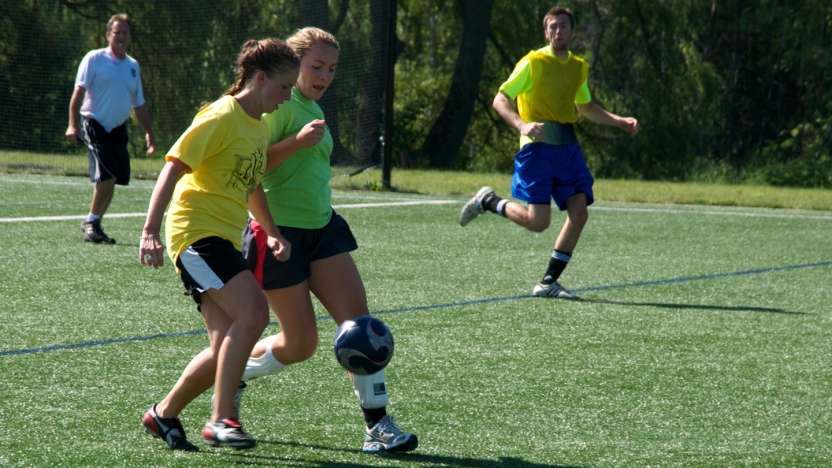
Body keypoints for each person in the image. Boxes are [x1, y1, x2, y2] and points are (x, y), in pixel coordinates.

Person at [218, 27, 418, 453]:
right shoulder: (278, 107)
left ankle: (377, 428)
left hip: (323, 228)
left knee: (361, 327)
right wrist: (295, 142)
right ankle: (234, 374)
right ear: (295, 64)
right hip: (279, 236)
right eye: (316, 66)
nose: (325, 75)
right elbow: (253, 169)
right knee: (300, 344)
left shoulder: (311, 106)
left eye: (331, 68)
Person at [138, 38, 299, 451]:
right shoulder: (220, 115)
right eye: (284, 87)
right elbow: (172, 168)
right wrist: (149, 230)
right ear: (260, 78)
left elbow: (252, 185)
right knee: (254, 311)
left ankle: (164, 414)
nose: (287, 96)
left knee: (225, 344)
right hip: (196, 233)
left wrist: (274, 232)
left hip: (223, 237)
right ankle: (221, 418)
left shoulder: (259, 127)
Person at [459, 6, 638, 299]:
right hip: (537, 149)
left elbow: (585, 107)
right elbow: (500, 99)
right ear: (546, 31)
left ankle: (547, 282)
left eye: (563, 26)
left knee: (579, 213)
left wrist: (619, 122)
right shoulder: (534, 62)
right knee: (538, 222)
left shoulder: (578, 66)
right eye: (552, 27)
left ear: (572, 31)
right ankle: (488, 201)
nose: (558, 32)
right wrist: (521, 124)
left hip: (568, 149)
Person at [66, 14, 156, 244]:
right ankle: (91, 222)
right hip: (94, 124)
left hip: (118, 129)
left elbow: (139, 104)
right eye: (117, 32)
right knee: (107, 175)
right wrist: (72, 124)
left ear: (130, 38)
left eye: (125, 33)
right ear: (108, 35)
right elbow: (79, 93)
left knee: (115, 177)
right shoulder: (94, 59)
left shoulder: (133, 67)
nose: (121, 36)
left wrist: (149, 132)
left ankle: (94, 223)